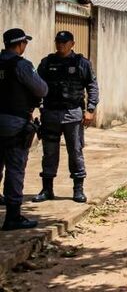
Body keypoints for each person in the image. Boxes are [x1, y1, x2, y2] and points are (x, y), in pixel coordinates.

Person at [33, 31, 99, 204]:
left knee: (75, 152)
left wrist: (90, 109)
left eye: (64, 42)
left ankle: (78, 190)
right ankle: (47, 189)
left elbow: (92, 86)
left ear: (72, 44)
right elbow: (36, 86)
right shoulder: (47, 63)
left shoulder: (81, 63)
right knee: (49, 153)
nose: (60, 45)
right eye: (58, 42)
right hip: (50, 114)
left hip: (72, 114)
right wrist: (38, 108)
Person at [0, 29, 48, 230]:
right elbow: (42, 89)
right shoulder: (21, 65)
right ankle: (13, 216)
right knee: (15, 169)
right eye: (24, 44)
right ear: (20, 45)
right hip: (14, 124)